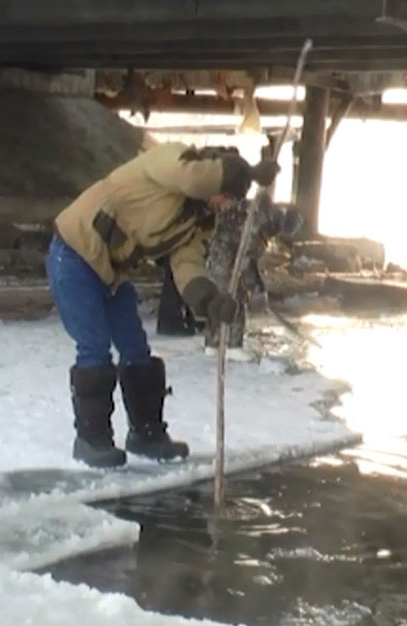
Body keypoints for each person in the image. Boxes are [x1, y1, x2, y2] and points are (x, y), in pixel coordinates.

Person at [48, 142, 280, 468]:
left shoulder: (199, 221)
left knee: (136, 349)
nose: (226, 206)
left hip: (111, 274)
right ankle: (91, 439)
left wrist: (209, 301)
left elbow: (188, 264)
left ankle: (146, 433)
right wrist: (247, 174)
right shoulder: (168, 162)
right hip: (73, 255)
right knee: (94, 347)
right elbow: (192, 177)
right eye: (226, 196)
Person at [203, 194, 303, 351]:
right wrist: (258, 289)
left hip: (216, 253)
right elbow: (246, 262)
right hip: (223, 260)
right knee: (235, 300)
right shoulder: (256, 226)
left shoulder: (254, 211)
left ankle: (213, 344)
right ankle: (233, 347)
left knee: (220, 299)